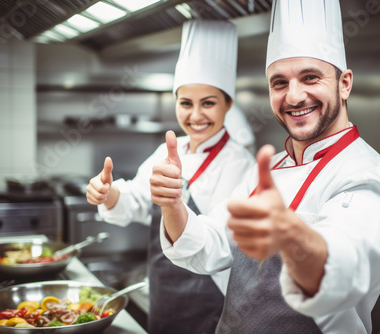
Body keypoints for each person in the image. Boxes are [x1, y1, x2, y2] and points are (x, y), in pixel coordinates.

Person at [150, 1, 380, 333]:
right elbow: (210, 245)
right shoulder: (268, 170)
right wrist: (172, 205)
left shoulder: (371, 177)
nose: (294, 96)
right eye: (279, 83)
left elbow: (346, 267)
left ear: (344, 83)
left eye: (310, 77)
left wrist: (290, 235)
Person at [85, 20, 255, 334]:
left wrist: (174, 204)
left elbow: (221, 246)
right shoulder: (168, 150)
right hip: (164, 294)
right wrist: (107, 193)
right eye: (186, 103)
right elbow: (135, 199)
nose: (195, 115)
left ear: (228, 104)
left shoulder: (241, 165)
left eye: (208, 103)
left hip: (212, 298)